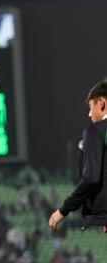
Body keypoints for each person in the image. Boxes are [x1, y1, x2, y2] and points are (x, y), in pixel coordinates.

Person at [48, 77, 107, 232]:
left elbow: (91, 177)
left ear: (101, 103)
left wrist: (64, 209)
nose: (89, 114)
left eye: (90, 107)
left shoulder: (96, 131)